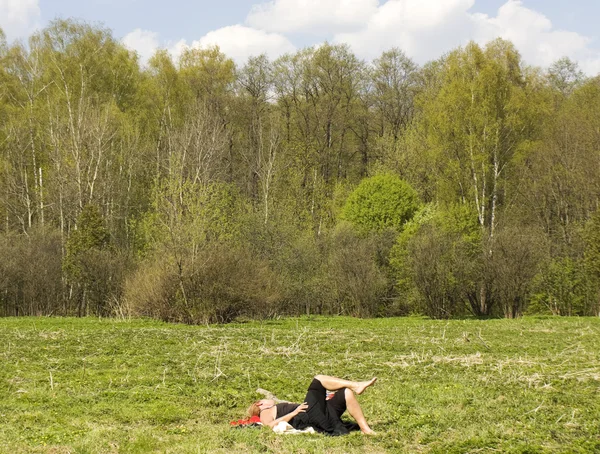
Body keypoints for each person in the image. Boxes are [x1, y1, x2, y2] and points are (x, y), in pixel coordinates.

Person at [247, 374, 377, 435]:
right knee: (318, 380)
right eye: (265, 399)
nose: (269, 399)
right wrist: (294, 412)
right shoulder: (265, 411)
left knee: (346, 393)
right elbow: (268, 426)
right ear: (260, 404)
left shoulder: (273, 408)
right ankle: (356, 385)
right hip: (308, 416)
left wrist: (323, 400)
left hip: (319, 414)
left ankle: (366, 429)